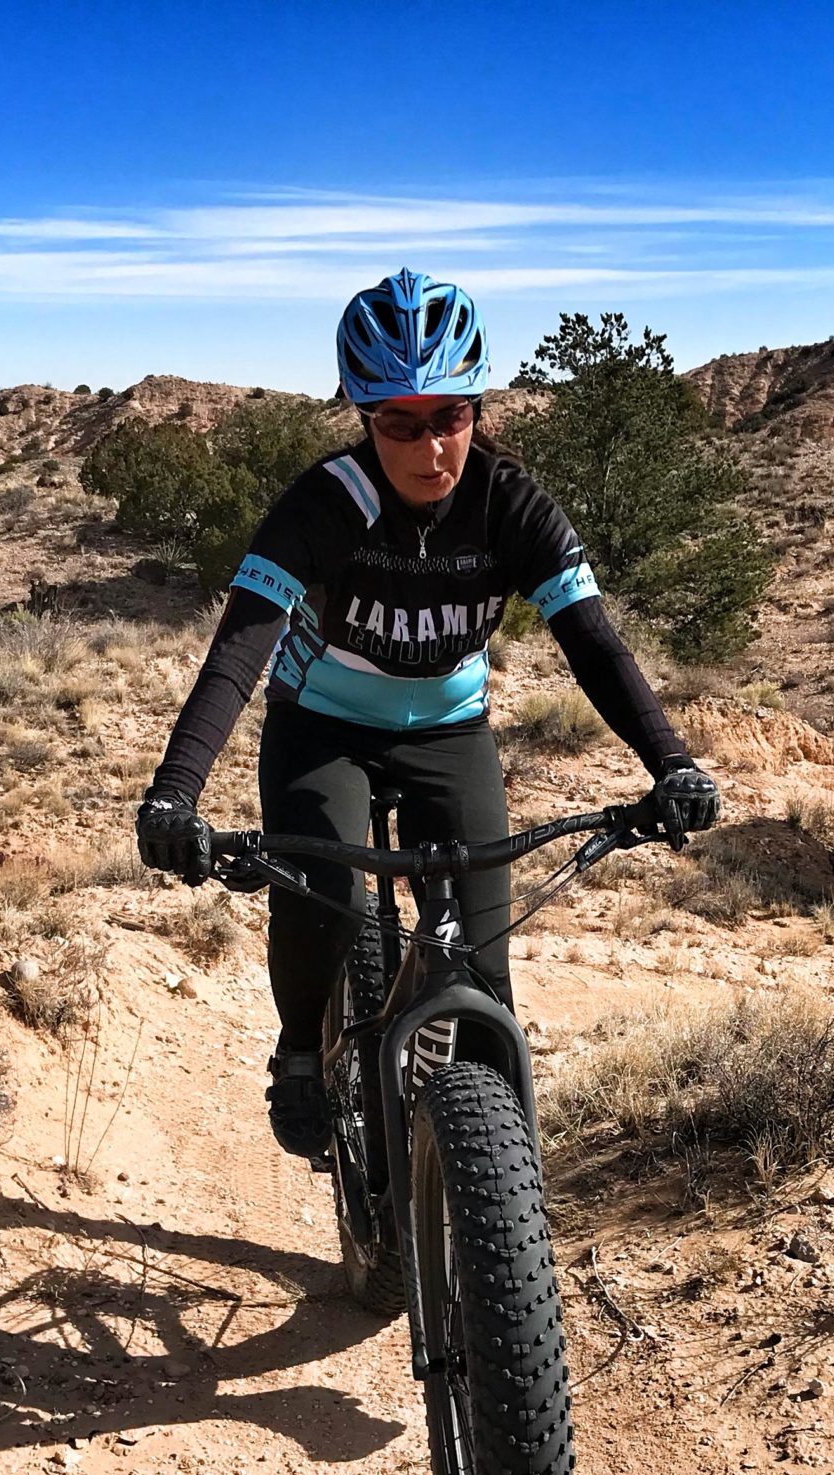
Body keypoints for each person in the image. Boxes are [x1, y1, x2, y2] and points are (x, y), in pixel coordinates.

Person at [136, 269, 720, 1157]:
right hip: (323, 724)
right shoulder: (323, 503)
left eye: (450, 416)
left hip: (450, 731)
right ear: (364, 420)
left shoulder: (509, 505)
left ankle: (491, 1202)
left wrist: (671, 762)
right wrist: (174, 794)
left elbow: (596, 644)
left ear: (477, 410)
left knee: (484, 975)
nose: (429, 446)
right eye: (399, 423)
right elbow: (239, 651)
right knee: (323, 890)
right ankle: (300, 1052)